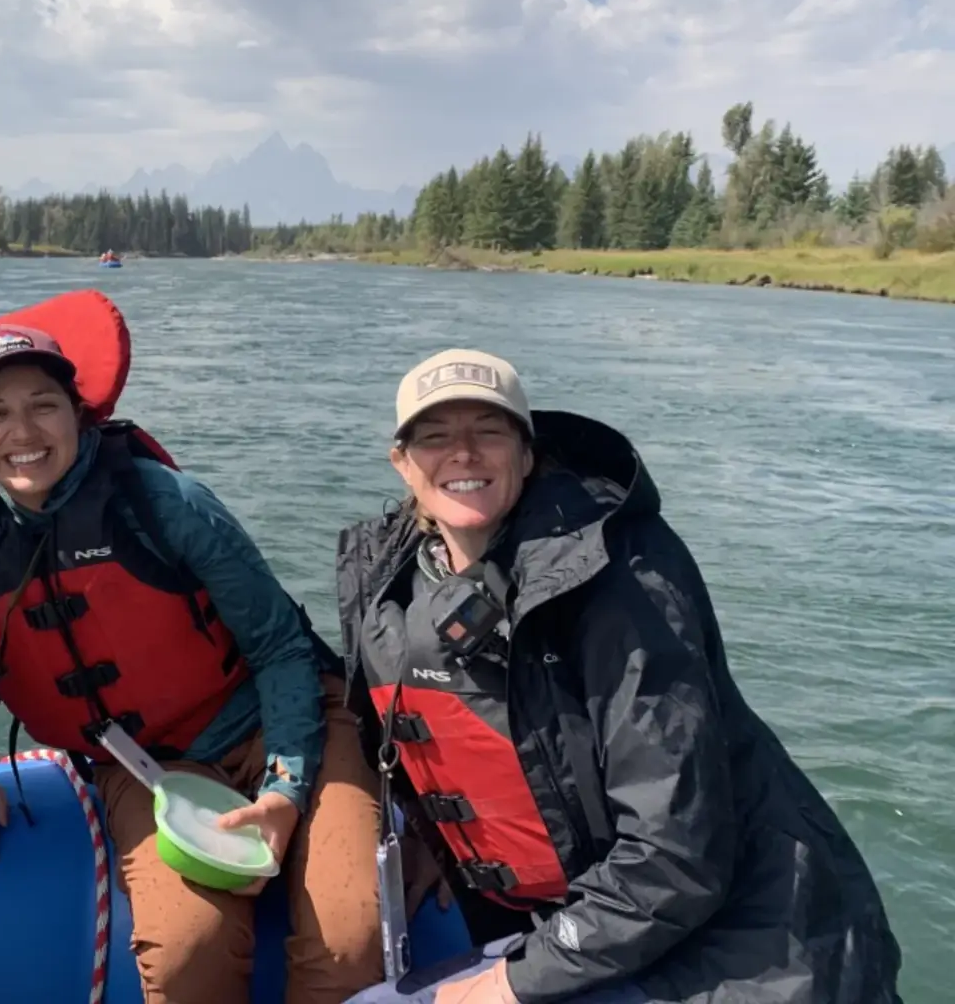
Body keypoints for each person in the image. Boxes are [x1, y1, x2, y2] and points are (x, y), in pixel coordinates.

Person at [335, 349, 903, 1004]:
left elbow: (675, 854)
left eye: (488, 432)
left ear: (527, 452)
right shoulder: (391, 580)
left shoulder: (622, 574)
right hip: (587, 918)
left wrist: (512, 982)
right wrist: (439, 842)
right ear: (401, 462)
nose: (463, 454)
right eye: (435, 437)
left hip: (750, 948)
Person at [0, 316, 386, 1004]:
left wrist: (286, 785)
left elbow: (280, 645)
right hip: (147, 768)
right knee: (188, 961)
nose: (23, 432)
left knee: (346, 945)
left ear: (78, 414)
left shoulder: (161, 502)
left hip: (278, 725)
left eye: (44, 405)